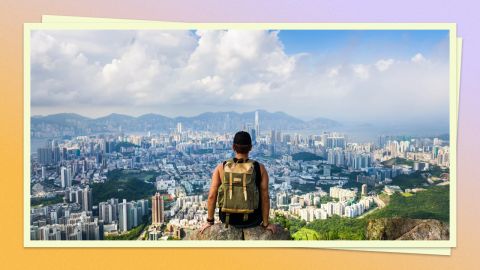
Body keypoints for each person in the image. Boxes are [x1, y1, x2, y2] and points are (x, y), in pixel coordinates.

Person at [200, 131, 277, 234]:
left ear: (233, 147)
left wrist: (210, 221)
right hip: (252, 220)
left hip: (228, 219)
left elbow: (211, 196)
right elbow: (265, 197)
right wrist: (266, 224)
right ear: (250, 147)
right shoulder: (259, 168)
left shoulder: (221, 167)